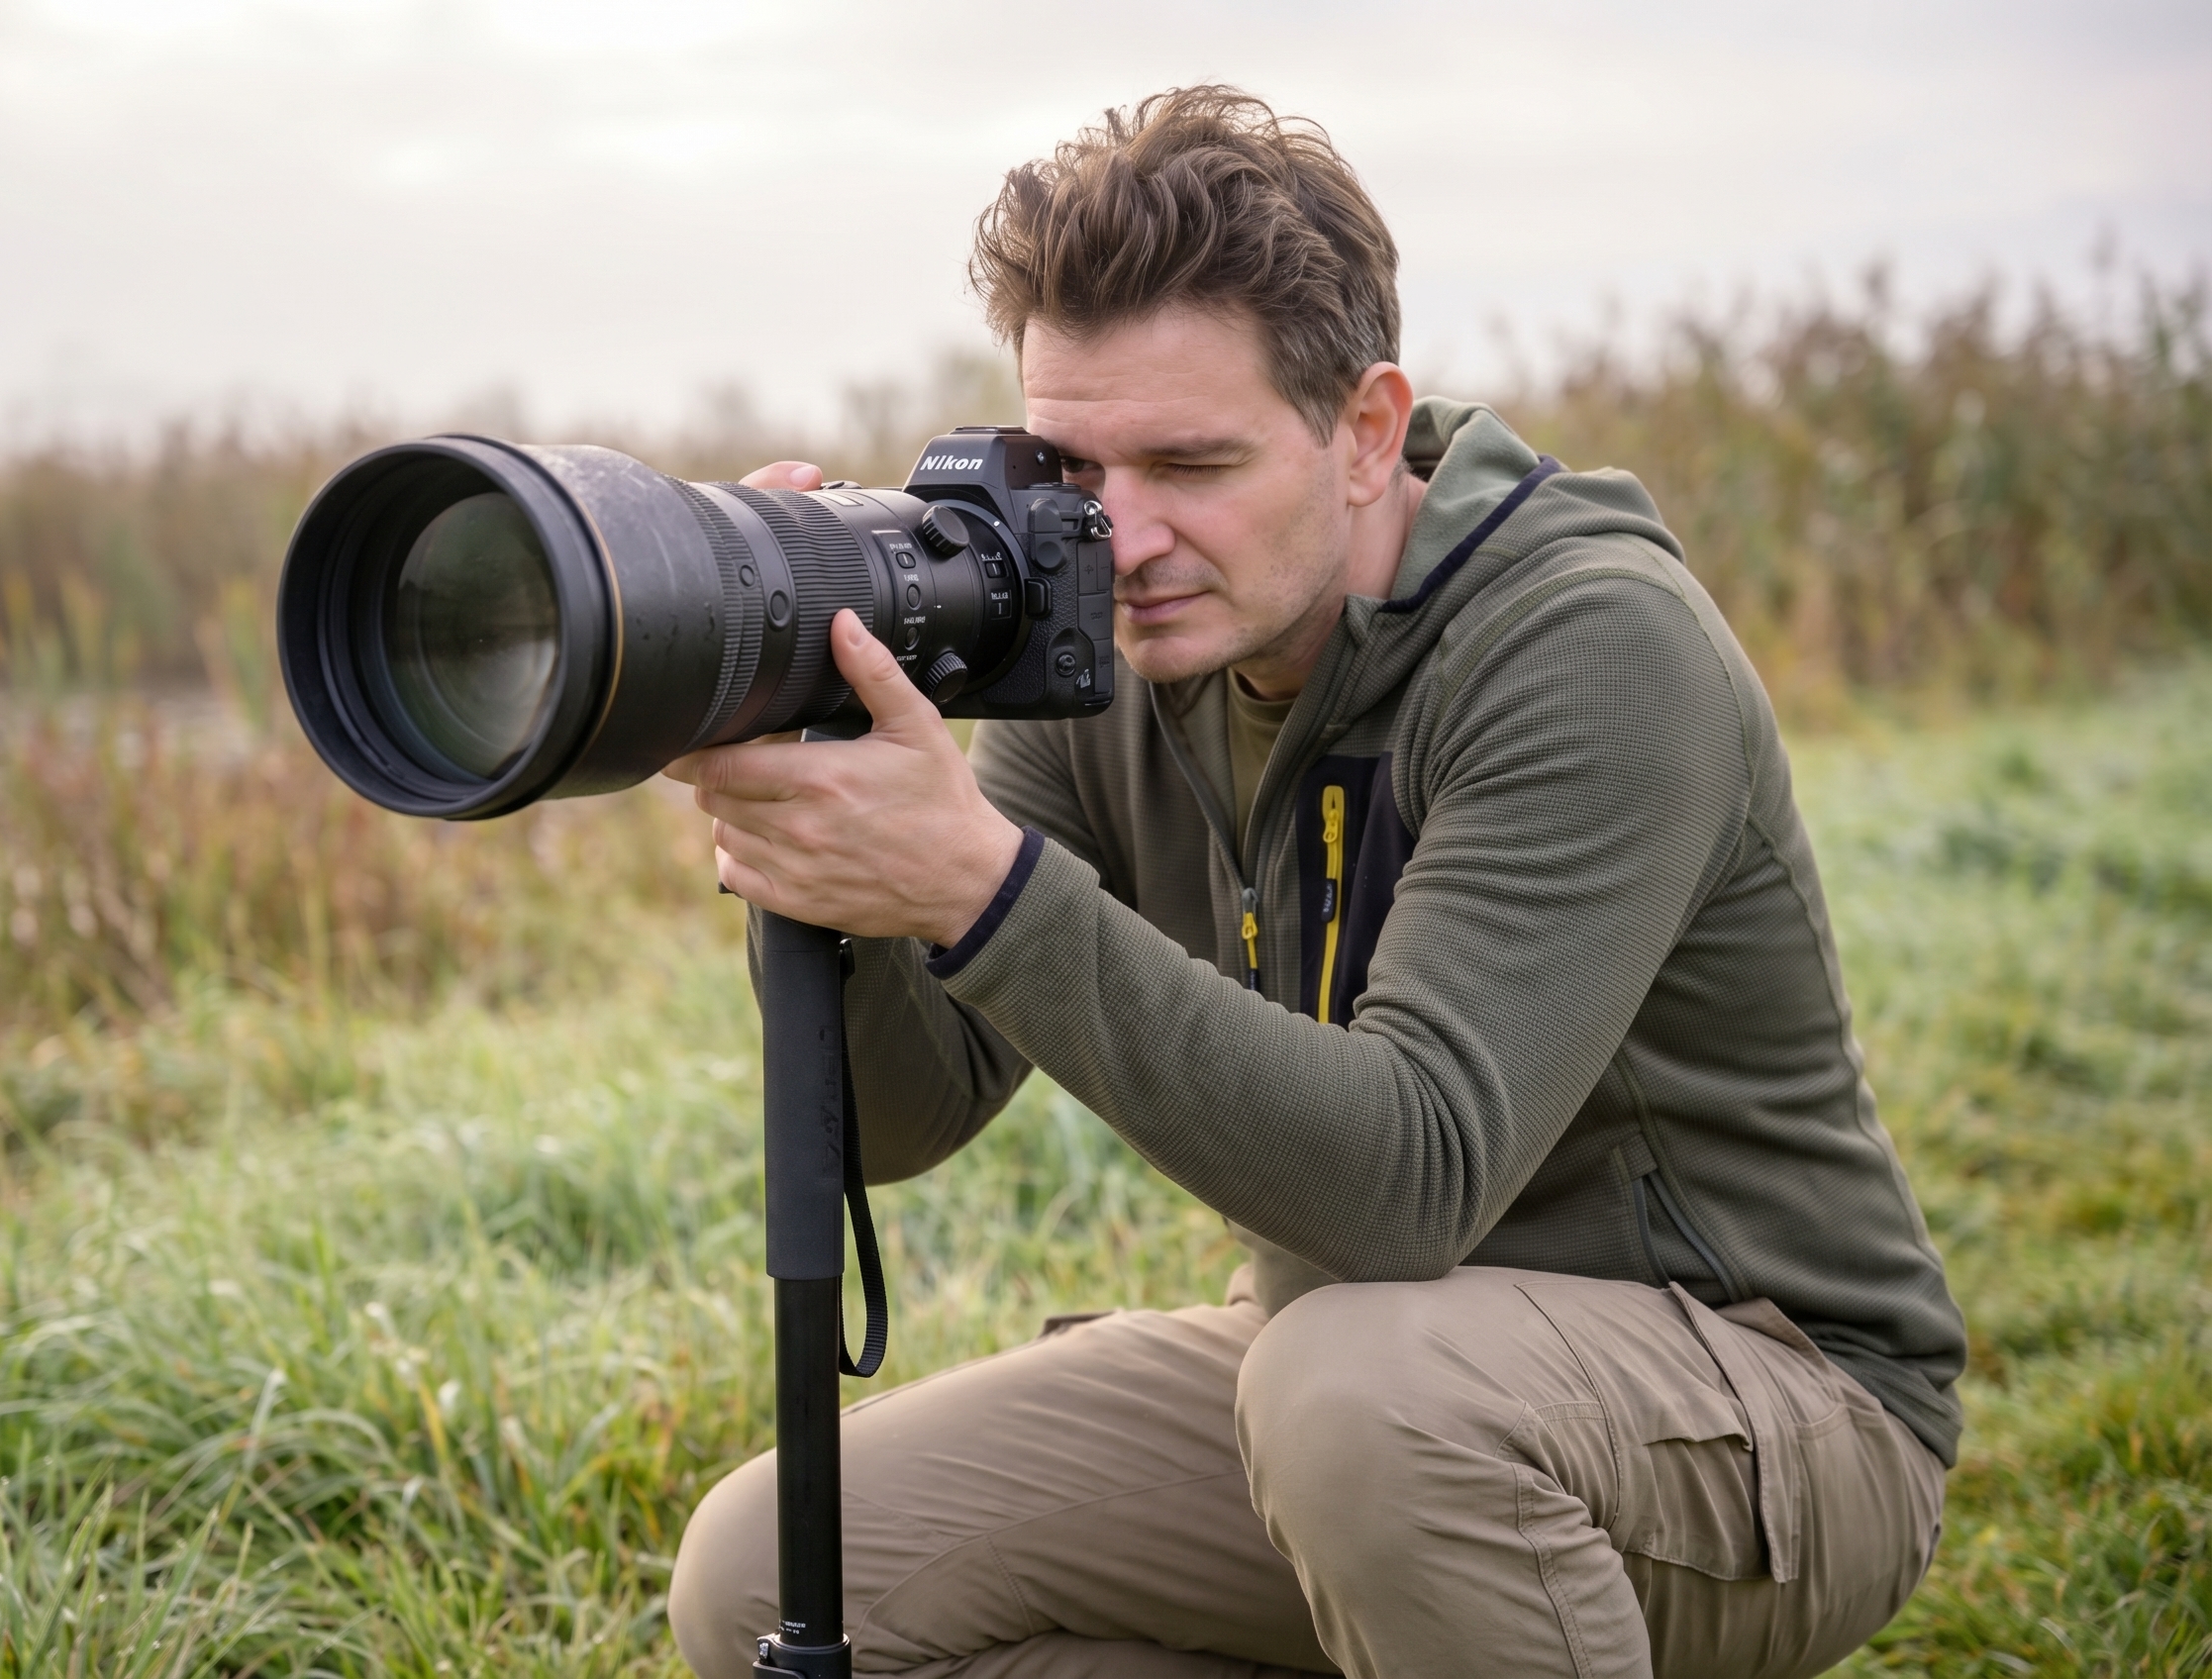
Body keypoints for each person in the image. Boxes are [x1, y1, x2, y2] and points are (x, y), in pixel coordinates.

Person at [661, 86, 1962, 1679]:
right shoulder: (1112, 654)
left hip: (1765, 1405)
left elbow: (1402, 1187)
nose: (1117, 538)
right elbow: (909, 1118)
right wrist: (832, 854)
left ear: (1362, 431)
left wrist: (983, 887)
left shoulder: (1590, 646)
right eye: (1070, 467)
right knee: (773, 1575)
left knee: (1357, 1399)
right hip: (1367, 1389)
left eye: (1190, 464)